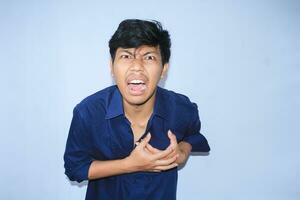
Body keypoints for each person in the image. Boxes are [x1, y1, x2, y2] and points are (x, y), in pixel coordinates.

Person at [64, 19, 210, 200]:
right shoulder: (88, 112)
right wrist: (130, 164)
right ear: (111, 66)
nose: (137, 66)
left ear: (164, 68)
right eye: (126, 56)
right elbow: (74, 168)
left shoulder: (181, 109)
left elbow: (192, 134)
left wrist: (183, 151)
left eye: (149, 57)